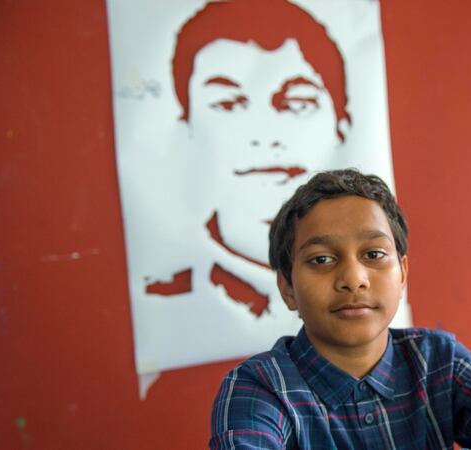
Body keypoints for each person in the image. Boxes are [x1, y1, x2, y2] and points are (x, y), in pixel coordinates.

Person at [209, 169, 471, 449]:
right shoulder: (258, 388)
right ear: (287, 287)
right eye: (321, 259)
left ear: (402, 273)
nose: (354, 278)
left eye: (373, 253)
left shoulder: (437, 361)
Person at [149, 0, 353, 319]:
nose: (264, 133)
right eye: (227, 104)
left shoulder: (372, 284)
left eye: (297, 103)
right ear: (185, 130)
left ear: (342, 126)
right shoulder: (164, 299)